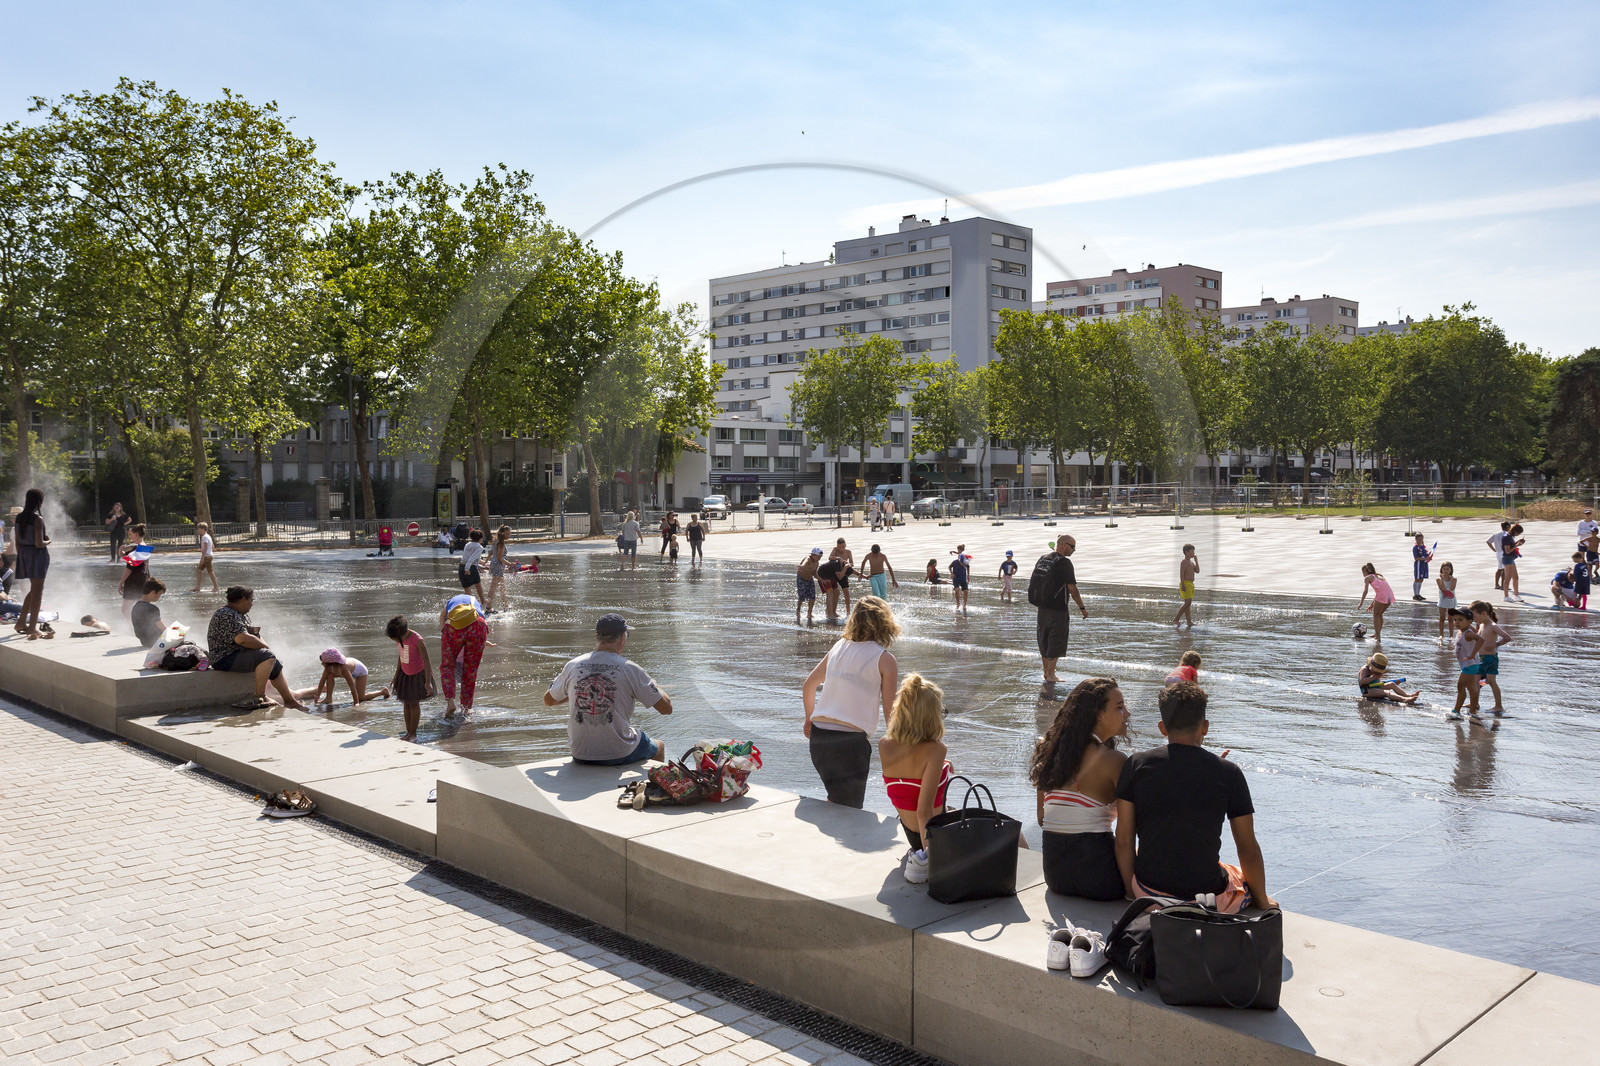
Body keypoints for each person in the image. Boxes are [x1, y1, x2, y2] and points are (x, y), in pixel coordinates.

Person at [1114, 682, 1275, 912]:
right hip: (1206, 899)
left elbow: (1123, 839)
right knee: (1238, 876)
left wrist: (1132, 894)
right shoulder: (1228, 773)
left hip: (1148, 895)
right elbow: (1247, 848)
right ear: (1205, 727)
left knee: (1143, 852)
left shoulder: (1136, 764)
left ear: (1162, 728)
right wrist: (1263, 901)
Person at [1032, 678, 1130, 901]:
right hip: (1101, 881)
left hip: (1056, 878)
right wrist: (1132, 894)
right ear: (1098, 714)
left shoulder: (1049, 752)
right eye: (1120, 707)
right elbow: (1125, 838)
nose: (1127, 713)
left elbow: (1042, 818)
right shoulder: (1115, 761)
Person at [801, 596, 899, 808]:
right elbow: (890, 710)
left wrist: (809, 719)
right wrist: (897, 745)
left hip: (819, 739)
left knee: (838, 801)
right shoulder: (885, 659)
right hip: (850, 744)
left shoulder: (838, 647)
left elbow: (808, 685)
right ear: (884, 623)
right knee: (849, 809)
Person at [544, 613, 672, 765]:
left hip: (580, 752)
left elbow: (548, 701)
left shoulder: (573, 665)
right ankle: (656, 781)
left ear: (596, 636)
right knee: (659, 746)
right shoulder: (631, 669)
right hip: (619, 752)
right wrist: (654, 685)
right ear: (623, 638)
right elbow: (666, 709)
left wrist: (577, 692)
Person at [879, 673, 952, 884]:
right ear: (930, 716)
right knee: (1012, 833)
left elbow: (907, 783)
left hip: (910, 833)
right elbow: (923, 811)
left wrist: (943, 766)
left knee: (953, 809)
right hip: (931, 837)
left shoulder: (884, 745)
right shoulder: (936, 750)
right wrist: (929, 857)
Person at [206, 586, 305, 711]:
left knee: (275, 663)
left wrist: (267, 650)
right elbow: (242, 639)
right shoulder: (226, 614)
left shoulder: (241, 615)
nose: (252, 604)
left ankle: (290, 701)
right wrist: (266, 649)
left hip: (236, 654)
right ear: (243, 599)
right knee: (267, 656)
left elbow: (254, 636)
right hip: (224, 658)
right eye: (251, 600)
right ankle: (260, 696)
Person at [1029, 534, 1088, 694]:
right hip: (1058, 609)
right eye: (1072, 546)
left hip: (1042, 607)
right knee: (1056, 639)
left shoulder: (1044, 558)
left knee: (1043, 638)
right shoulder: (1064, 563)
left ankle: (1046, 672)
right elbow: (1072, 589)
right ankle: (1051, 674)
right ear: (1064, 545)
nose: (1074, 550)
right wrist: (1082, 607)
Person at [386, 615, 436, 742]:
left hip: (417, 675)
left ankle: (413, 733)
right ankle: (408, 732)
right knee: (406, 703)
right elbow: (401, 655)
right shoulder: (400, 639)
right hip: (405, 674)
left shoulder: (417, 640)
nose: (396, 642)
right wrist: (396, 675)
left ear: (404, 633)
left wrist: (428, 682)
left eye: (397, 639)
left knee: (414, 704)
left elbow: (427, 661)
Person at [439, 593, 489, 717]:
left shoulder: (450, 602)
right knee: (471, 669)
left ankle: (450, 702)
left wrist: (445, 634)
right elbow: (480, 619)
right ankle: (466, 707)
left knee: (447, 666)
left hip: (453, 627)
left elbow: (442, 618)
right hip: (478, 626)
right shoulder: (475, 602)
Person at [12, 490, 51, 639]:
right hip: (37, 555)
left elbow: (17, 542)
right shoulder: (37, 519)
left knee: (35, 588)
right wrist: (49, 540)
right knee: (38, 591)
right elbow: (39, 543)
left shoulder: (19, 518)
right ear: (39, 502)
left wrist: (22, 557)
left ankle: (21, 622)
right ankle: (32, 628)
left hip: (24, 553)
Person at [297, 647, 390, 706]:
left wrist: (356, 702)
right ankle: (328, 698)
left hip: (360, 672)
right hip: (347, 668)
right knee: (329, 676)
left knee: (361, 698)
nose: (321, 663)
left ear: (330, 663)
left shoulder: (344, 668)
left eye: (323, 662)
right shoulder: (328, 668)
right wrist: (317, 696)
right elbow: (322, 681)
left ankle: (382, 692)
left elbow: (351, 685)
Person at [1469, 600, 1511, 714]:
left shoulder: (1493, 626)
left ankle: (1498, 706)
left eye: (1475, 616)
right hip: (1480, 658)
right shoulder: (1482, 625)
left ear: (1484, 614)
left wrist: (1495, 645)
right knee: (1476, 681)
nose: (1473, 619)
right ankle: (1475, 703)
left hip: (1490, 659)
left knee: (1491, 681)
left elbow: (1507, 638)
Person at [1448, 608, 1484, 720]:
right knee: (1471, 689)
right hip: (1468, 665)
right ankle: (1472, 711)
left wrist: (1473, 654)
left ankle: (1456, 711)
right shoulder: (1461, 632)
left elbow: (1480, 639)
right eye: (1455, 620)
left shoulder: (1468, 634)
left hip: (1470, 665)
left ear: (1469, 621)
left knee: (1460, 686)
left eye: (1460, 620)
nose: (1457, 622)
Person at [118, 523, 151, 623]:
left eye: (131, 535)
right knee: (141, 607)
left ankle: (134, 628)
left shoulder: (139, 548)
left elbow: (129, 568)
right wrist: (121, 551)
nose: (130, 537)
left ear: (136, 534)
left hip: (135, 581)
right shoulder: (143, 547)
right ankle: (142, 626)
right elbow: (127, 558)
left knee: (125, 609)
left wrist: (120, 583)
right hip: (143, 579)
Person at [1357, 562, 1395, 643]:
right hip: (1390, 596)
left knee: (1376, 615)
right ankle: (1377, 634)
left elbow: (1365, 591)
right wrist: (1372, 605)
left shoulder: (1367, 578)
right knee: (1379, 614)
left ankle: (1378, 637)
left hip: (1382, 596)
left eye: (1363, 572)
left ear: (1365, 571)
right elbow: (1381, 591)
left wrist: (1361, 603)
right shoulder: (1379, 575)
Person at [131, 579, 168, 648]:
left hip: (144, 642)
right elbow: (162, 628)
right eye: (159, 594)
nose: (159, 597)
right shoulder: (152, 608)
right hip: (156, 641)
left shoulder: (135, 606)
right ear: (153, 592)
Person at [484, 525, 512, 613]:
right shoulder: (501, 543)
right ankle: (488, 607)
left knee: (502, 587)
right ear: (502, 533)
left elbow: (491, 552)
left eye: (509, 534)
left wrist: (486, 561)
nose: (508, 536)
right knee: (494, 587)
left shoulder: (495, 540)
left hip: (494, 565)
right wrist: (510, 564)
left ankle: (505, 605)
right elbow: (500, 558)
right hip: (498, 566)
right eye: (507, 534)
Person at [816, 555, 851, 622]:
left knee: (837, 592)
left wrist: (862, 575)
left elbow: (852, 571)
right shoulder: (838, 565)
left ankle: (833, 612)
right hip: (823, 577)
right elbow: (840, 577)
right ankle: (829, 614)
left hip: (831, 577)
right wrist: (845, 566)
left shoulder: (842, 565)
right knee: (830, 593)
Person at [1172, 543, 1199, 628]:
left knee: (1188, 604)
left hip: (1191, 584)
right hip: (1185, 583)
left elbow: (1197, 571)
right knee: (1188, 603)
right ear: (1186, 552)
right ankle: (1176, 619)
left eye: (1194, 552)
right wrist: (1183, 584)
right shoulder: (1184, 562)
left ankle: (1189, 622)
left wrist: (1196, 561)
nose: (1193, 553)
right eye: (1192, 552)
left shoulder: (1191, 563)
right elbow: (1182, 574)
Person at [458, 528, 486, 605]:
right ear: (480, 538)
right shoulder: (479, 547)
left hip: (461, 566)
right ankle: (483, 601)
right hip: (470, 568)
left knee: (467, 589)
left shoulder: (467, 544)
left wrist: (482, 563)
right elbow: (472, 558)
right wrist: (467, 568)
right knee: (478, 585)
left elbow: (467, 557)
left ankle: (470, 606)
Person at [796, 547, 822, 622]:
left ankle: (809, 613)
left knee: (812, 597)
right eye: (817, 557)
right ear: (812, 555)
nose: (818, 559)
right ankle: (798, 609)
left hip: (809, 579)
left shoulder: (816, 563)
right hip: (801, 578)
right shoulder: (808, 559)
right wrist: (802, 566)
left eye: (820, 557)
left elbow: (814, 573)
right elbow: (805, 562)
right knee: (802, 596)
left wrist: (822, 580)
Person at [191, 522, 219, 593]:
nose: (197, 530)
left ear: (203, 529)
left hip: (207, 557)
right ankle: (198, 587)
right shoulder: (208, 536)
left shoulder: (204, 537)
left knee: (210, 572)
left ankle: (216, 587)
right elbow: (213, 546)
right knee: (199, 570)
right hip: (209, 555)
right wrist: (209, 551)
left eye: (198, 529)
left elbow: (205, 549)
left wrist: (202, 558)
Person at [1500, 523, 1526, 600]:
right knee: (1508, 578)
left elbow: (1511, 546)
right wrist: (1516, 545)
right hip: (1507, 558)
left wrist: (1517, 542)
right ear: (1515, 531)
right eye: (1518, 533)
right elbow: (1507, 551)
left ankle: (1516, 595)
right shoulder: (1506, 537)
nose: (1518, 535)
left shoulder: (1509, 536)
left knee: (1515, 577)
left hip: (1510, 558)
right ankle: (1506, 596)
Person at [829, 538, 854, 611]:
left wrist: (848, 564)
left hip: (843, 572)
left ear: (845, 545)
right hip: (834, 573)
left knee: (846, 592)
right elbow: (830, 557)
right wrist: (839, 557)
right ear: (837, 546)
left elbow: (852, 563)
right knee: (834, 592)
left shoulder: (848, 552)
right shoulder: (835, 549)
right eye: (839, 547)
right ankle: (831, 611)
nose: (841, 549)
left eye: (843, 547)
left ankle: (848, 612)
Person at [1436, 561, 1458, 639]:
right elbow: (1442, 589)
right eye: (1444, 569)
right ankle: (1441, 634)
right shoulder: (1438, 579)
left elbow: (1452, 588)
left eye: (1447, 569)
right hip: (1442, 601)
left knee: (1450, 618)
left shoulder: (1454, 579)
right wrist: (1442, 579)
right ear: (1441, 569)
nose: (1445, 571)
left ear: (1451, 570)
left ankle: (1451, 635)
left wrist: (1451, 580)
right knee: (1442, 618)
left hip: (1451, 601)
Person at [1409, 533, 1433, 601]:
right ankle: (1415, 594)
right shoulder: (1415, 548)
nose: (1420, 541)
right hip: (1419, 564)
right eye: (1419, 539)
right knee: (1417, 578)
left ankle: (1418, 593)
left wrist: (1428, 556)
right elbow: (1416, 558)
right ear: (1416, 539)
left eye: (1421, 539)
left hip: (1424, 564)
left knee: (1421, 579)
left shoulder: (1423, 546)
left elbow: (1425, 555)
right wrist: (1425, 558)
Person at [947, 546, 970, 611]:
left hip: (963, 578)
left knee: (966, 591)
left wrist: (968, 576)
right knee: (957, 590)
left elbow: (968, 567)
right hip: (956, 578)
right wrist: (952, 573)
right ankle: (958, 604)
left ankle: (964, 605)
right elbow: (949, 567)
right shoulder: (955, 562)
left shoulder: (965, 560)